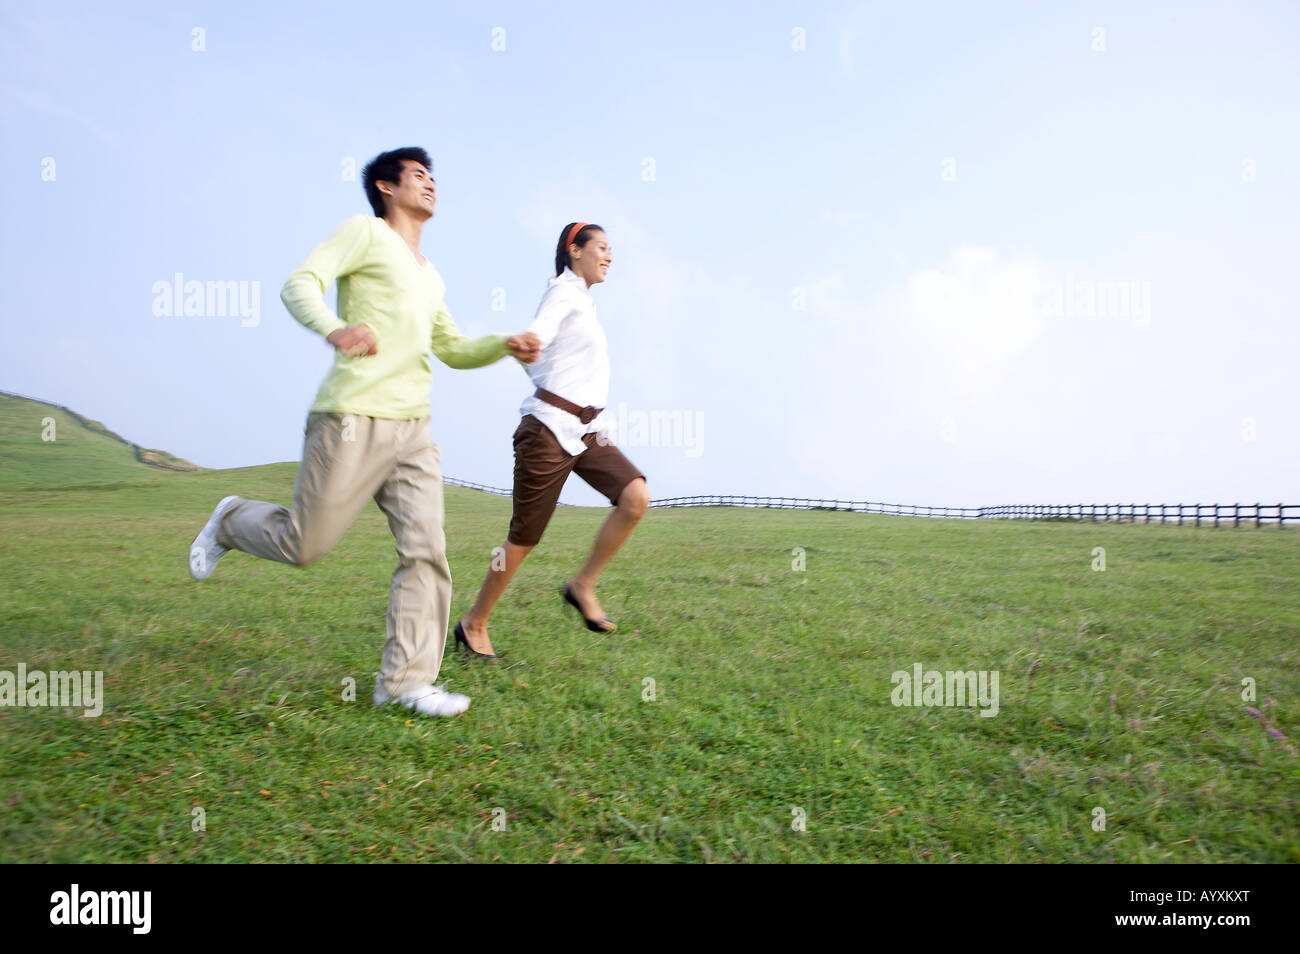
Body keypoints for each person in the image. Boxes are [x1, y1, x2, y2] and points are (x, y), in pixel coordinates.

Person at [186, 147, 540, 718]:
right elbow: (299, 284)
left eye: (433, 178)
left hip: (414, 429)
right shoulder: (365, 233)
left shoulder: (431, 274)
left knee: (427, 551)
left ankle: (404, 684)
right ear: (385, 186)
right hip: (352, 417)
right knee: (305, 545)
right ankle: (231, 519)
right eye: (418, 176)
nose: (430, 185)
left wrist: (503, 343)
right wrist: (335, 327)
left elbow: (449, 347)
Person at [453, 222, 649, 659]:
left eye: (610, 249)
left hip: (587, 431)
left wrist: (535, 356)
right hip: (546, 431)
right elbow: (539, 330)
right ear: (573, 250)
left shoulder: (585, 302)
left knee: (635, 497)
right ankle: (474, 623)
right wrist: (530, 342)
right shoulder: (562, 292)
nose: (609, 256)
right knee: (523, 538)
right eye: (601, 247)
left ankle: (582, 584)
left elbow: (543, 357)